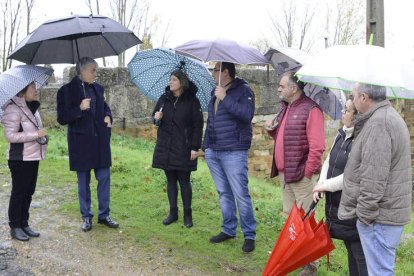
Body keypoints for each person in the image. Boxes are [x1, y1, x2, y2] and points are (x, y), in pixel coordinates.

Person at [338, 83, 412, 276]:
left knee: (379, 273)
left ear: (364, 97)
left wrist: (364, 218)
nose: (352, 101)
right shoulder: (385, 117)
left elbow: (373, 180)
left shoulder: (380, 123)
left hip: (379, 218)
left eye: (353, 96)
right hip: (384, 215)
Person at [265, 71, 325, 275]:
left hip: (302, 176)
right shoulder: (286, 107)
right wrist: (272, 129)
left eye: (282, 86)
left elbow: (317, 147)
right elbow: (286, 137)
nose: (279, 89)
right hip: (286, 174)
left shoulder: (311, 109)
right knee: (292, 220)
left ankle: (311, 266)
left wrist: (308, 174)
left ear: (294, 88)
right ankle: (294, 256)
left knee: (306, 220)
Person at [57, 57, 119, 232]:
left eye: (96, 70)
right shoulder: (66, 91)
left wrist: (108, 117)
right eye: (93, 70)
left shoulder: (98, 88)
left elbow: (104, 107)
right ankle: (86, 216)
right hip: (81, 143)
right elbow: (62, 118)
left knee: (104, 177)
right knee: (83, 182)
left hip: (100, 141)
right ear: (82, 71)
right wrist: (79, 108)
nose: (95, 73)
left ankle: (104, 214)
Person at [203, 62, 257, 253]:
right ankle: (229, 229)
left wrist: (225, 98)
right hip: (214, 151)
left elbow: (247, 115)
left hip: (234, 151)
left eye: (215, 69)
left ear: (225, 72)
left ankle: (249, 235)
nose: (212, 72)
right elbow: (211, 121)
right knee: (223, 193)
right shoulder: (215, 91)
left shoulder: (244, 90)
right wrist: (206, 147)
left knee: (240, 194)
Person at [312, 97, 368, 276]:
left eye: (347, 110)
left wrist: (325, 186)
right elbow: (329, 160)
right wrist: (320, 183)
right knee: (350, 249)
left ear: (357, 115)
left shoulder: (362, 139)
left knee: (360, 254)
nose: (343, 113)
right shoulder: (342, 133)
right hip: (339, 204)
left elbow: (352, 176)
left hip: (354, 206)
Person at [152, 69, 203, 228]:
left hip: (184, 147)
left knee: (184, 181)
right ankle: (173, 213)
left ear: (181, 82)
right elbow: (155, 118)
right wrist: (156, 118)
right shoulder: (164, 98)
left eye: (174, 80)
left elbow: (198, 125)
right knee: (170, 180)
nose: (170, 82)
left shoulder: (192, 101)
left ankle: (188, 214)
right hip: (166, 146)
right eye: (170, 79)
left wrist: (195, 147)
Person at [2, 82, 48, 241]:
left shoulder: (32, 108)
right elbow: (11, 136)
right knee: (19, 192)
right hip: (19, 158)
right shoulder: (12, 109)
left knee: (29, 191)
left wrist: (41, 136)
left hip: (33, 157)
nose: (36, 90)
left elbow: (35, 131)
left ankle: (24, 223)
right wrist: (36, 134)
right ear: (23, 91)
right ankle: (15, 226)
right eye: (33, 88)